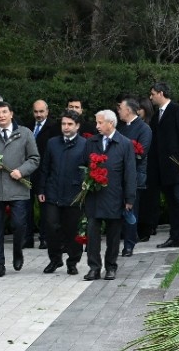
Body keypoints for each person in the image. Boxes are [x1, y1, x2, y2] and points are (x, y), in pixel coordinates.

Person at [0, 101, 39, 276]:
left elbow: (35, 158)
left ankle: (18, 251)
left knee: (20, 225)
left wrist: (21, 171)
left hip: (18, 187)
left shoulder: (25, 133)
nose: (1, 115)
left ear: (11, 114)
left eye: (4, 112)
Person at [82, 110, 137, 280]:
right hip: (94, 196)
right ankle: (94, 267)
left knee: (113, 235)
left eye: (100, 123)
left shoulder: (124, 143)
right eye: (96, 122)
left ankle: (111, 266)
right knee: (92, 233)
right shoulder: (91, 142)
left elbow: (130, 172)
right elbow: (83, 165)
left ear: (110, 123)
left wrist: (129, 198)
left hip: (114, 195)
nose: (96, 126)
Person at [37, 111, 88, 275]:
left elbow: (88, 169)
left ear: (78, 126)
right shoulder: (52, 143)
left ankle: (73, 261)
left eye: (70, 124)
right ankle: (55, 259)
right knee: (51, 226)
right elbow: (45, 167)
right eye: (63, 124)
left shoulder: (85, 144)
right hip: (53, 192)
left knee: (73, 229)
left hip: (74, 194)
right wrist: (41, 189)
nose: (66, 127)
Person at [149, 83, 179, 249]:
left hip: (177, 166)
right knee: (172, 203)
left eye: (153, 94)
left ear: (161, 93)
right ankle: (175, 236)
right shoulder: (156, 116)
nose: (151, 97)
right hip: (164, 169)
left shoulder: (178, 110)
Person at [114, 98, 151, 255]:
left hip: (135, 175)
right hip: (118, 175)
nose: (118, 111)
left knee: (131, 210)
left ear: (128, 110)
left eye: (121, 108)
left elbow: (141, 153)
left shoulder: (144, 129)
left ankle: (129, 244)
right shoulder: (121, 127)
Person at [25, 100, 60, 250]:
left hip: (45, 172)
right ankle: (27, 238)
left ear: (47, 111)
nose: (38, 115)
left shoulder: (55, 127)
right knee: (26, 207)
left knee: (45, 207)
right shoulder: (27, 126)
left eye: (41, 112)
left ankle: (45, 238)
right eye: (36, 112)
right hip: (27, 172)